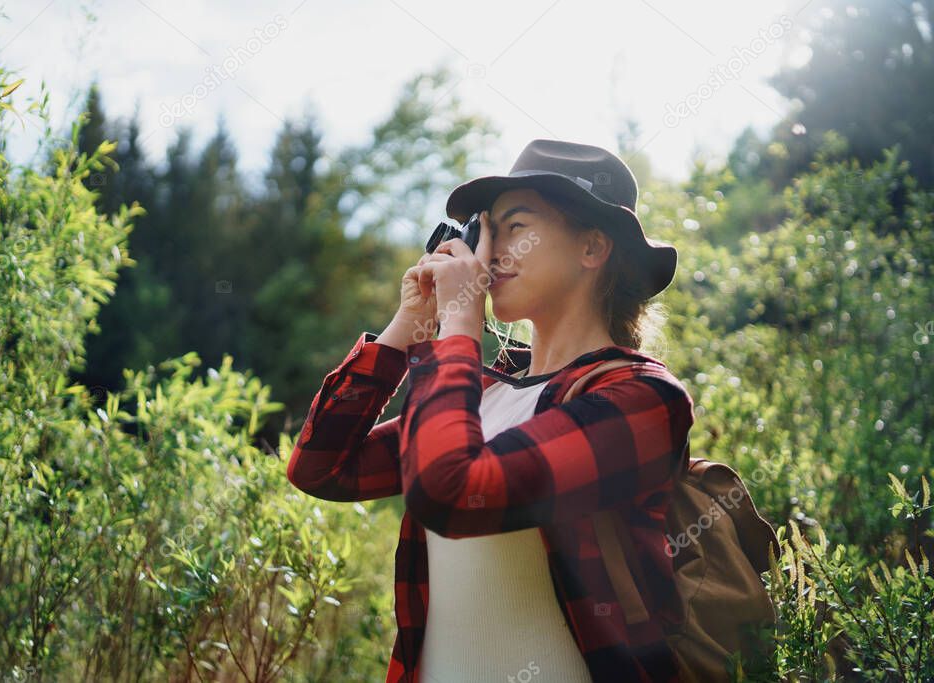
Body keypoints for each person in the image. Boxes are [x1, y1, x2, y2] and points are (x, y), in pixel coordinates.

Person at [287, 139, 695, 683]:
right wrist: (413, 322)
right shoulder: (483, 393)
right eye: (485, 230)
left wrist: (459, 325)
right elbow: (323, 467)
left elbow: (450, 492)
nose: (488, 252)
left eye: (515, 227)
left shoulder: (641, 399)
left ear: (592, 248)